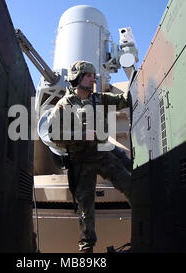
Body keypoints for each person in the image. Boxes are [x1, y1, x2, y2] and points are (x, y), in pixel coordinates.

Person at [47, 60, 133, 253]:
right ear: (77, 78)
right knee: (86, 210)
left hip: (102, 155)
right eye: (88, 75)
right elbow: (52, 133)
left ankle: (144, 231)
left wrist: (137, 78)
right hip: (81, 161)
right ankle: (87, 251)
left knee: (131, 186)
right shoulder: (65, 104)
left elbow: (124, 100)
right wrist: (79, 135)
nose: (92, 78)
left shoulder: (98, 98)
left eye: (93, 75)